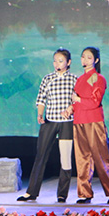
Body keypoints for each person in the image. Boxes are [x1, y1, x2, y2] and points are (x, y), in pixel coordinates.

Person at [62, 46, 109, 204]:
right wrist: (70, 109)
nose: (85, 60)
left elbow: (95, 101)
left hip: (94, 122)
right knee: (82, 159)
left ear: (96, 60)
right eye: (83, 57)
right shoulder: (80, 79)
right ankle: (84, 193)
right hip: (79, 121)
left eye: (89, 57)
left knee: (101, 157)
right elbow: (77, 101)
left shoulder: (98, 78)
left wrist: (78, 100)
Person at [18, 48, 77, 203]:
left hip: (67, 124)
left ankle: (62, 194)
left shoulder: (74, 79)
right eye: (55, 61)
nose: (57, 64)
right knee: (41, 156)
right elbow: (41, 99)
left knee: (65, 158)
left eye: (60, 61)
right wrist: (40, 114)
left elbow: (77, 100)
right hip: (50, 121)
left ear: (68, 62)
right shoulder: (47, 78)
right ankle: (31, 192)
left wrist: (70, 109)